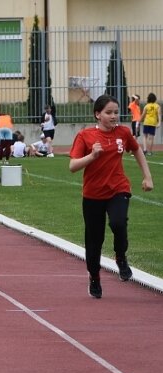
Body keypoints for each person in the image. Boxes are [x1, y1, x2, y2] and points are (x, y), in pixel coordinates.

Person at [69, 94, 154, 299]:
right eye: (108, 112)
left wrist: (147, 177)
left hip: (118, 188)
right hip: (93, 194)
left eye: (116, 112)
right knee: (94, 241)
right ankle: (95, 278)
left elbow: (137, 151)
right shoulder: (85, 136)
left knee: (118, 223)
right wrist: (92, 156)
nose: (114, 116)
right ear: (98, 114)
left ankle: (121, 257)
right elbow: (72, 166)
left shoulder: (124, 133)